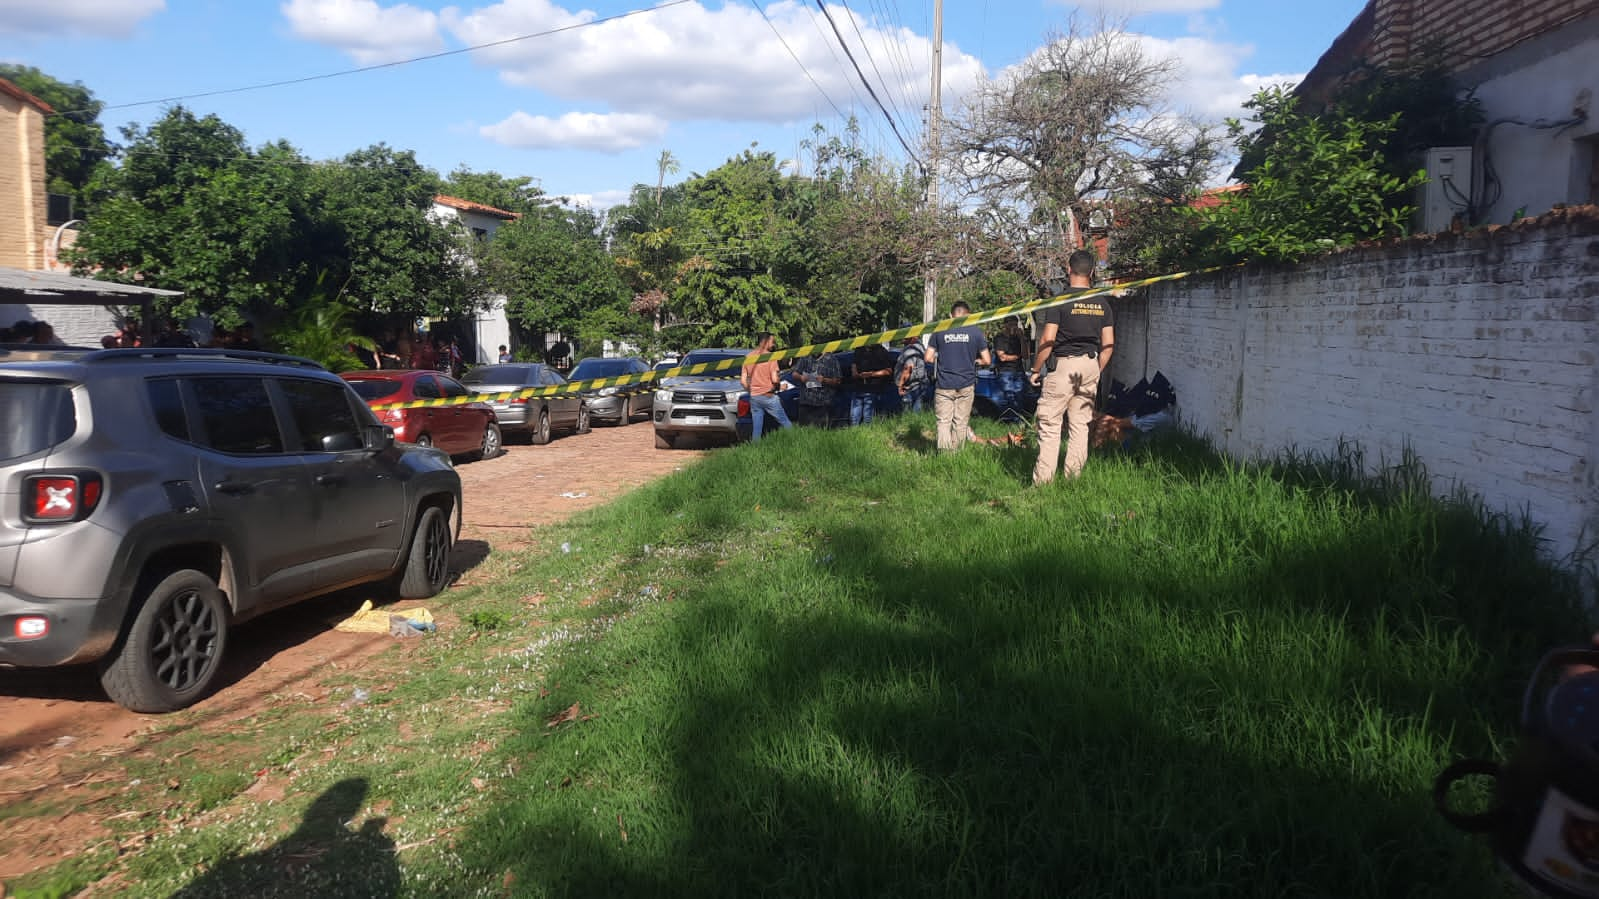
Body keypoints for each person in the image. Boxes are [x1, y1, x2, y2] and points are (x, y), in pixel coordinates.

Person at [1031, 249, 1116, 485]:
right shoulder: (1102, 303)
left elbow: (1048, 340)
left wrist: (1036, 369)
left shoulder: (1061, 301)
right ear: (1092, 272)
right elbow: (1109, 345)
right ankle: (1072, 481)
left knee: (1050, 424)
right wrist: (1095, 369)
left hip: (1064, 366)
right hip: (1090, 365)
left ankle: (1043, 484)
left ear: (1068, 270)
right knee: (1080, 425)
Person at [925, 301, 991, 452]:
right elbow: (987, 360)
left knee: (943, 422)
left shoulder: (940, 330)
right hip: (966, 384)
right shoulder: (976, 332)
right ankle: (956, 455)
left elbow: (928, 358)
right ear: (969, 315)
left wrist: (942, 357)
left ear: (950, 315)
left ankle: (944, 456)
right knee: (961, 422)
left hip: (944, 384)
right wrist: (975, 360)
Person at [741, 332, 793, 441]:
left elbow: (743, 381)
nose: (773, 344)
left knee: (757, 429)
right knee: (786, 423)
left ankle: (755, 450)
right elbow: (774, 379)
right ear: (765, 342)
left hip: (754, 397)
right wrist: (779, 386)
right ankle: (796, 442)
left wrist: (751, 391)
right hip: (768, 396)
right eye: (772, 341)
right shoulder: (770, 358)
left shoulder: (748, 357)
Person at [849, 338, 895, 425]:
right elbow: (854, 364)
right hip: (858, 388)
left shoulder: (881, 351)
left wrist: (871, 374)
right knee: (854, 419)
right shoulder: (859, 350)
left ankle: (867, 436)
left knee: (868, 419)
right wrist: (855, 373)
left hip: (872, 389)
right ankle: (854, 435)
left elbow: (888, 371)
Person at [792, 350, 842, 427]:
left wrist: (824, 380)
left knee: (820, 432)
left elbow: (838, 381)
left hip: (823, 403)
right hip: (806, 402)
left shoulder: (832, 359)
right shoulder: (805, 357)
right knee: (803, 432)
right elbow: (794, 374)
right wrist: (801, 377)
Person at [993, 315, 1028, 413]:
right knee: (1010, 395)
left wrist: (1022, 339)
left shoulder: (1018, 338)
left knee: (1020, 395)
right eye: (1011, 324)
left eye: (1015, 324)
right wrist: (1017, 357)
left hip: (1018, 370)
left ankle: (1018, 419)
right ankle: (1011, 417)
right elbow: (1002, 357)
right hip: (1005, 371)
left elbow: (1026, 356)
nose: (1013, 327)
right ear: (1005, 325)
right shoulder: (1000, 338)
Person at [894, 334, 931, 412]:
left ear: (913, 337)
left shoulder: (910, 349)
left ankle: (912, 424)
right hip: (920, 384)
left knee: (909, 413)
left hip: (911, 387)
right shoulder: (920, 347)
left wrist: (900, 385)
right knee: (917, 412)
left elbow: (908, 368)